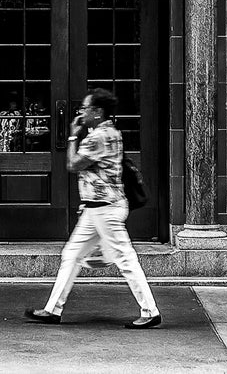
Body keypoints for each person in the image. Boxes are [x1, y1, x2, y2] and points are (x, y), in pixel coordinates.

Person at [25, 87, 161, 329]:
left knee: (125, 258)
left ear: (97, 112)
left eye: (85, 108)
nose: (81, 112)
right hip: (99, 207)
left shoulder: (97, 137)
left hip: (104, 209)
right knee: (72, 254)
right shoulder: (112, 132)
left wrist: (72, 136)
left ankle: (150, 310)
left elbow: (73, 164)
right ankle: (52, 309)